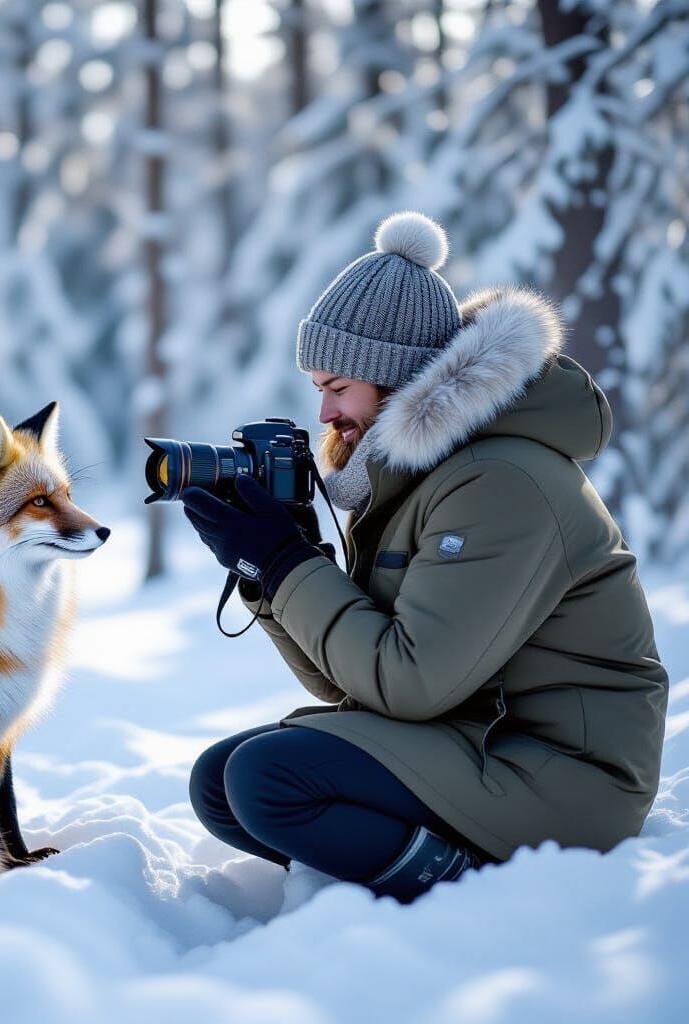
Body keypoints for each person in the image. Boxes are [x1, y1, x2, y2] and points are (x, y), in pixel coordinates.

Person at [181, 210, 670, 903]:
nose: (323, 415)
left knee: (270, 779)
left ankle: (466, 891)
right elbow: (351, 685)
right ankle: (420, 858)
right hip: (477, 734)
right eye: (318, 387)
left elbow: (408, 683)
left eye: (337, 387)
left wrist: (289, 564)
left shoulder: (502, 481)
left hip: (569, 774)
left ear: (398, 380)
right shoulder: (419, 480)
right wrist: (266, 570)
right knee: (222, 782)